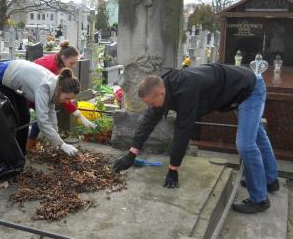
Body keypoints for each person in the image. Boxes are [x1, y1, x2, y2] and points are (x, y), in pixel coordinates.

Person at [113, 63, 278, 214]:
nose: (151, 107)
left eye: (151, 103)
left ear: (160, 93)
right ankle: (270, 181)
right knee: (257, 135)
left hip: (250, 90)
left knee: (245, 144)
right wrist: (131, 154)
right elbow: (148, 121)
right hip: (237, 88)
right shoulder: (164, 87)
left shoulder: (186, 90)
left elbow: (183, 130)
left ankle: (259, 199)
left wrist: (173, 168)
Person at [0, 59, 80, 156]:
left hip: (16, 81)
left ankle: (21, 154)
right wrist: (62, 144)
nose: (67, 102)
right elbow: (42, 121)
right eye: (67, 98)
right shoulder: (44, 87)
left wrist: (57, 141)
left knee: (25, 117)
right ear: (60, 89)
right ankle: (7, 155)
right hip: (2, 76)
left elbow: (51, 112)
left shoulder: (54, 86)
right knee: (11, 119)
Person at [27, 40, 96, 152]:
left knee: (47, 118)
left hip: (36, 92)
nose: (73, 67)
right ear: (63, 57)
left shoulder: (58, 64)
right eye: (72, 63)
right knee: (41, 117)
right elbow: (65, 97)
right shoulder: (52, 70)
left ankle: (48, 145)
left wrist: (80, 116)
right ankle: (29, 146)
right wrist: (79, 116)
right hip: (28, 91)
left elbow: (66, 97)